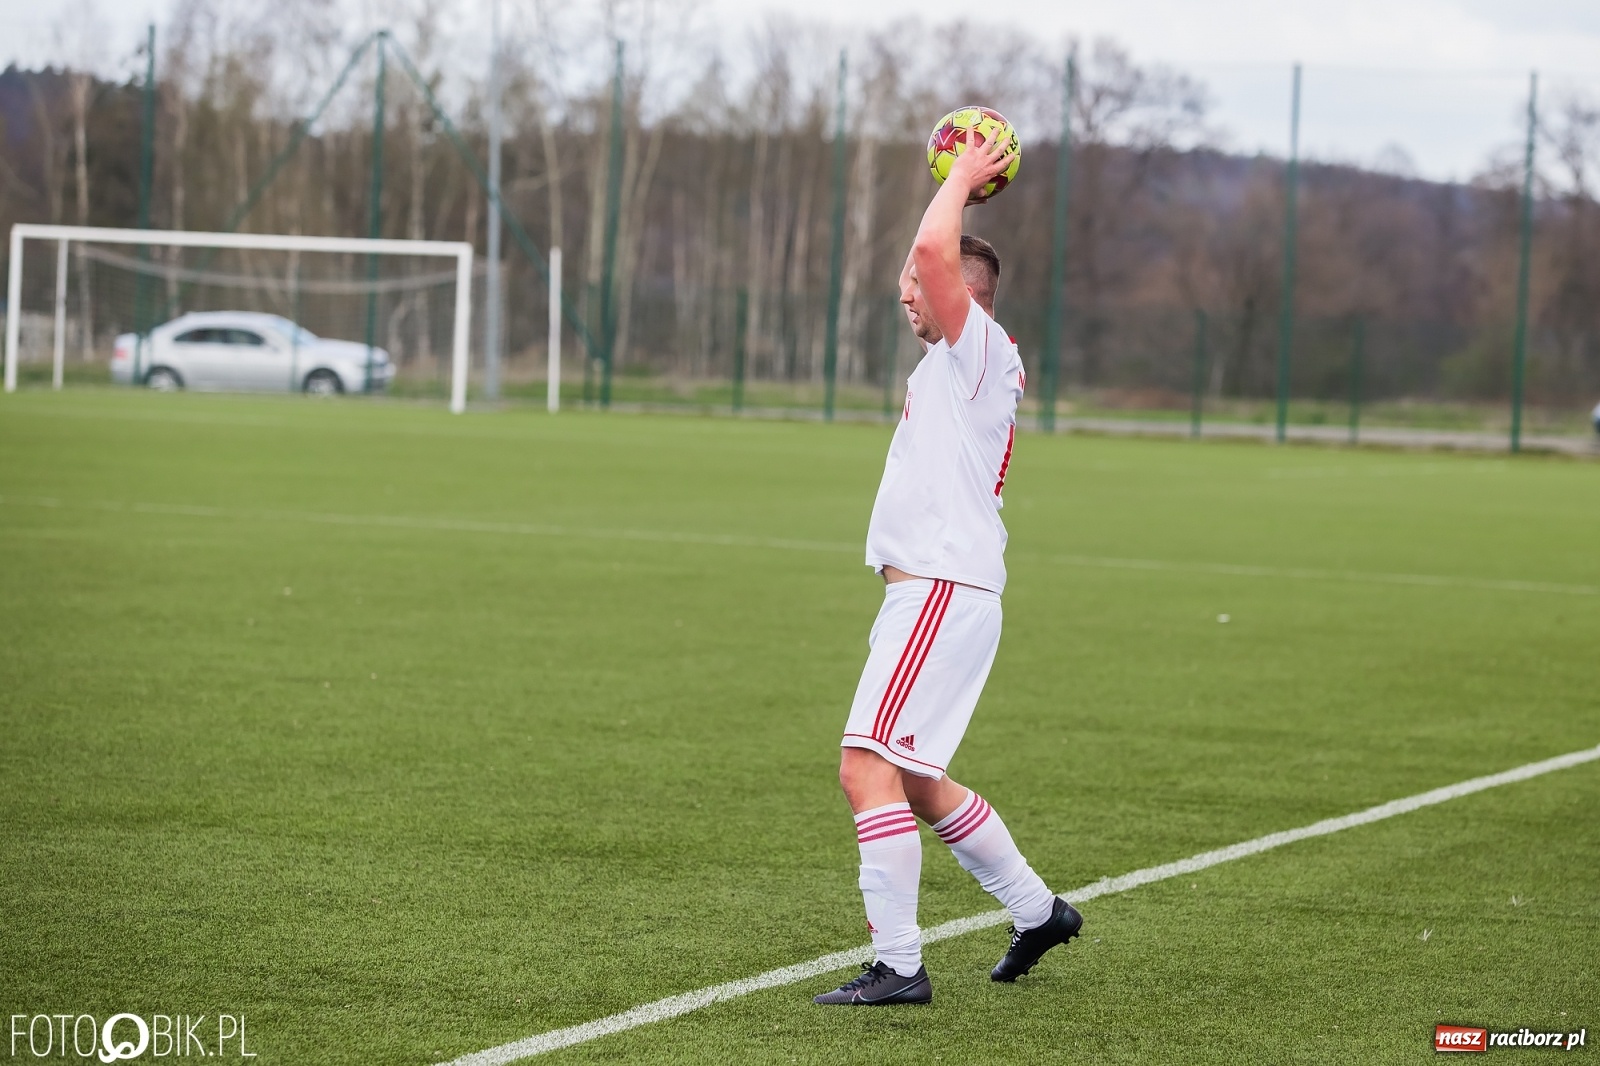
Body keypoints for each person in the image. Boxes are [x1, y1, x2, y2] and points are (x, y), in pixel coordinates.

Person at [813, 124, 1080, 1007]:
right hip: (937, 592)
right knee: (918, 780)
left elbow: (933, 247)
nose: (907, 300)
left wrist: (963, 173)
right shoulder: (950, 363)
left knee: (864, 768)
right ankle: (1038, 912)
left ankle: (898, 966)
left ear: (965, 295)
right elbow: (931, 259)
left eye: (913, 291)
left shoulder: (977, 349)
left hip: (941, 589)